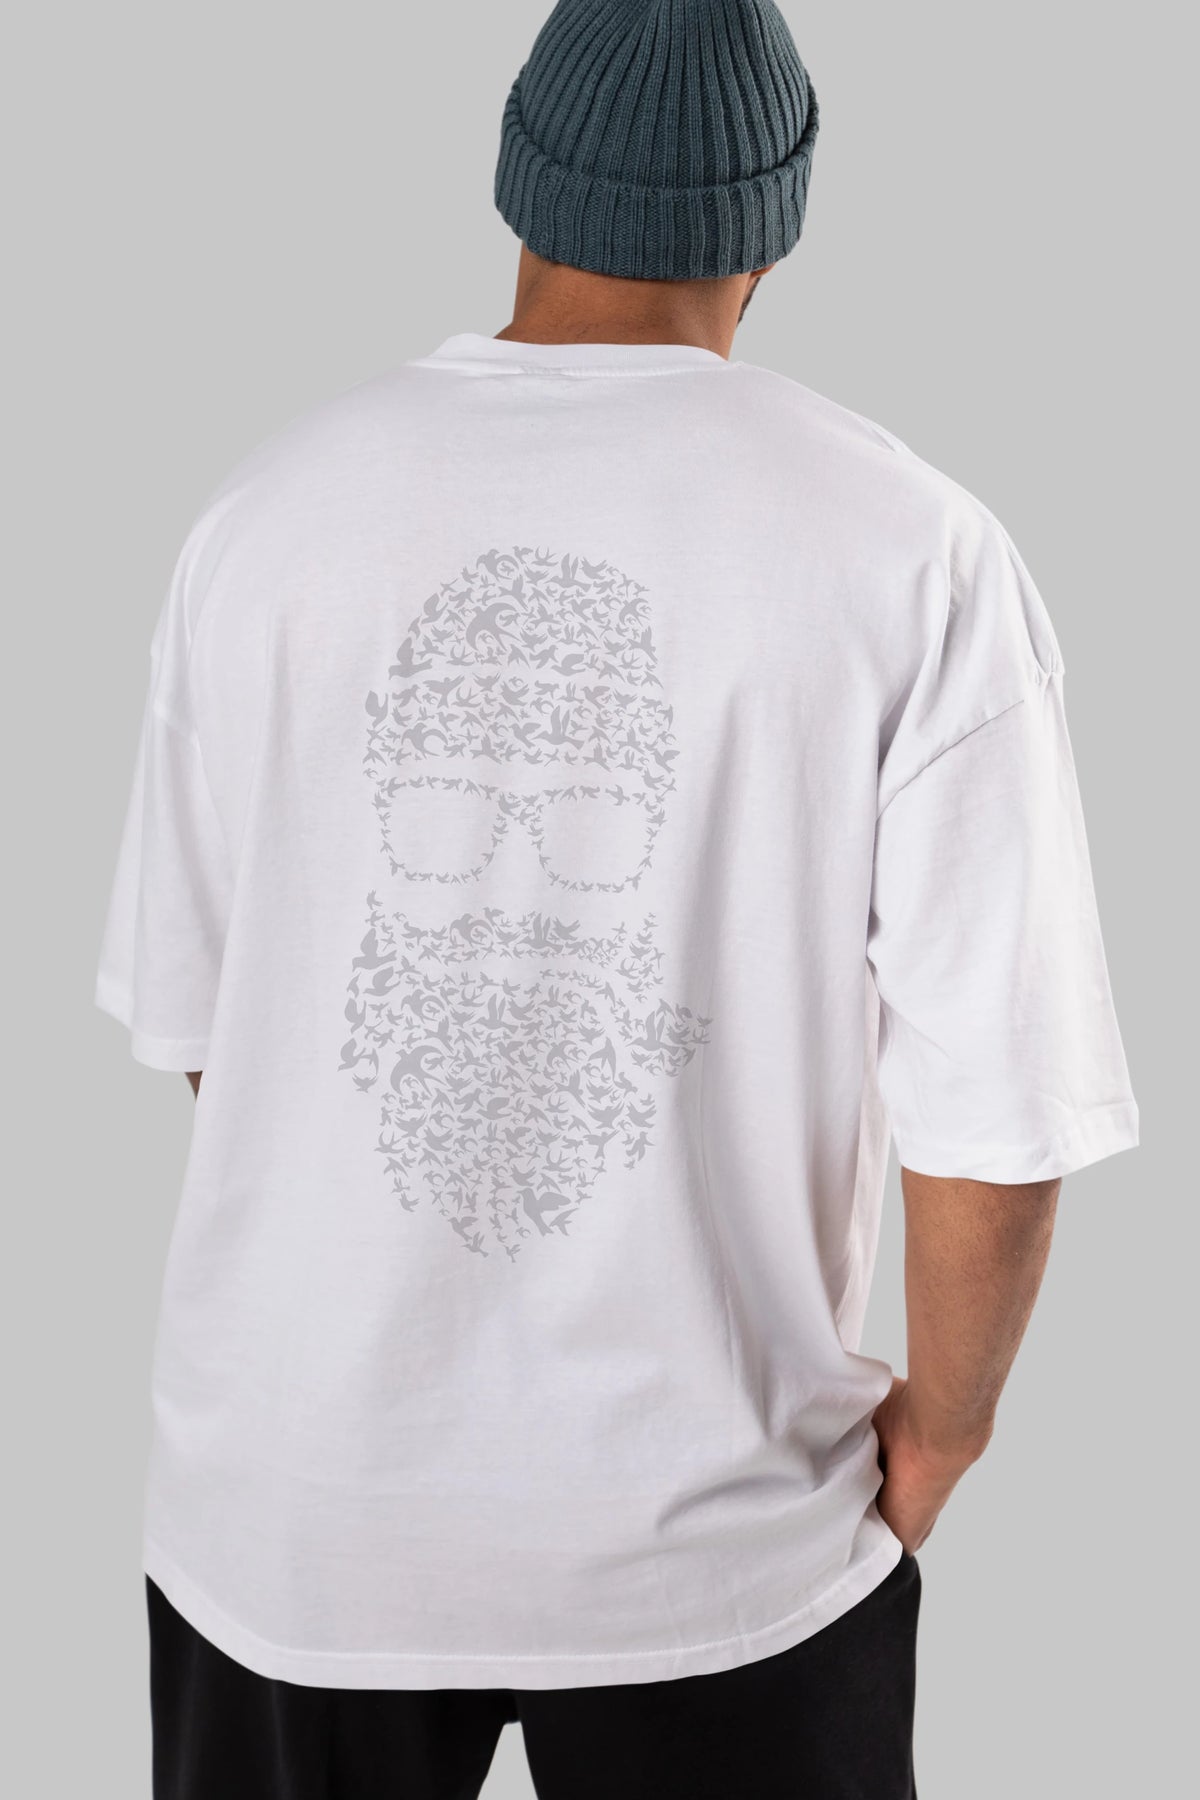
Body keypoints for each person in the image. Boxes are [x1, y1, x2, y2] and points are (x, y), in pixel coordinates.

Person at [95, 2, 1138, 1795]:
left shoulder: (263, 519)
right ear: (769, 236)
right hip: (728, 1547)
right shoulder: (915, 555)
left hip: (290, 1530)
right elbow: (997, 1123)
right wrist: (941, 1440)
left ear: (517, 184)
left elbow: (219, 1031)